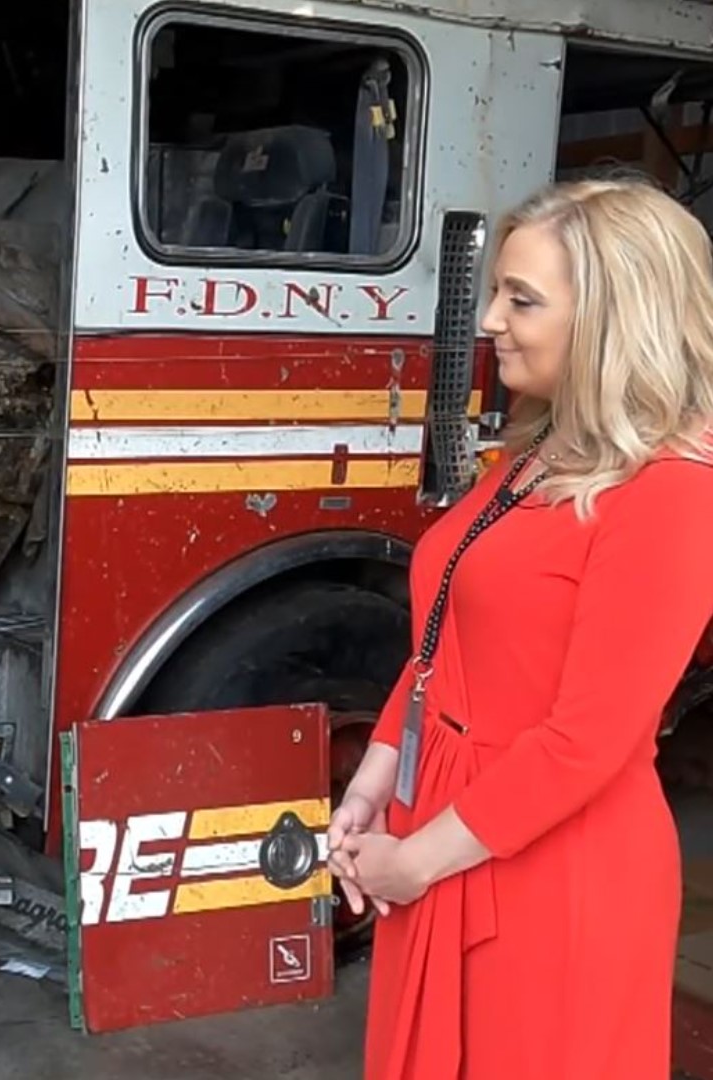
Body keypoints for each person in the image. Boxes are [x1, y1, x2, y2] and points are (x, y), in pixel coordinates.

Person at [325, 175, 713, 1079]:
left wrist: (415, 860)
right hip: (449, 828)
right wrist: (376, 782)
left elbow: (587, 741)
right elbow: (441, 642)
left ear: (616, 319)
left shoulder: (673, 493)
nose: (490, 320)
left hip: (554, 870)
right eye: (497, 291)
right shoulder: (539, 452)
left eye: (522, 298)